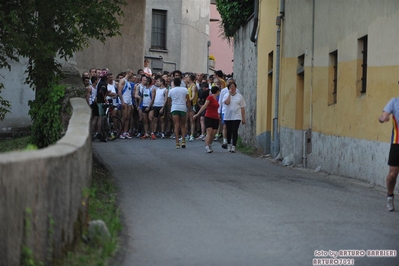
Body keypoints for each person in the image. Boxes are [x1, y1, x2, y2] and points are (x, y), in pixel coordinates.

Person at [379, 97, 399, 211]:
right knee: (392, 175)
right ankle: (390, 197)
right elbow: (382, 117)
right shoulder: (394, 102)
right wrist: (383, 118)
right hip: (397, 143)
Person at [193, 86, 221, 153]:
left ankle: (209, 144)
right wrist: (197, 114)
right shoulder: (210, 97)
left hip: (215, 117)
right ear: (217, 91)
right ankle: (207, 146)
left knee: (214, 133)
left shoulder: (217, 99)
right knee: (209, 131)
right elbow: (204, 106)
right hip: (208, 116)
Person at [222, 82, 246, 153]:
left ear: (235, 88)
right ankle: (229, 144)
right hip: (228, 116)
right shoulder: (226, 95)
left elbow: (242, 108)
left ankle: (234, 146)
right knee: (229, 131)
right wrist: (229, 94)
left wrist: (243, 118)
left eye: (233, 87)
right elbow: (227, 103)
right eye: (230, 87)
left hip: (237, 116)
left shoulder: (240, 96)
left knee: (234, 130)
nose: (232, 88)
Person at [168, 78, 191, 149]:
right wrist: (189, 109)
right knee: (183, 125)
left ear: (174, 83)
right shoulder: (185, 90)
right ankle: (183, 140)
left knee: (176, 125)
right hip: (183, 107)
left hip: (174, 107)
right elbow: (188, 100)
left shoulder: (171, 90)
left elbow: (169, 102)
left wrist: (169, 109)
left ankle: (177, 142)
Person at [118, 69, 135, 139]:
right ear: (128, 73)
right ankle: (120, 132)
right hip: (124, 100)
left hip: (129, 101)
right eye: (132, 73)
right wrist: (122, 101)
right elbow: (119, 91)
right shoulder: (123, 80)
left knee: (128, 117)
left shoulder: (129, 82)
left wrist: (131, 103)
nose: (132, 75)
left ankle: (125, 132)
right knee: (124, 116)